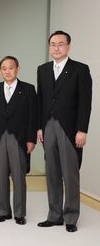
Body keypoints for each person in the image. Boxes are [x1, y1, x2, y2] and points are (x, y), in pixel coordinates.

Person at [36, 30, 92, 233]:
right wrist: (40, 127)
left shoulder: (80, 69)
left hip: (70, 128)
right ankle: (54, 216)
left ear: (68, 46)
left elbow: (86, 102)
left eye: (60, 44)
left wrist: (82, 130)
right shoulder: (42, 70)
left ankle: (70, 217)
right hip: (48, 126)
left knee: (70, 174)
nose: (56, 47)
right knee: (52, 172)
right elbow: (41, 100)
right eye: (53, 44)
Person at [0, 56, 37, 225]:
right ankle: (3, 211)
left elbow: (32, 117)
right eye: (4, 68)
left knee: (18, 176)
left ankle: (20, 213)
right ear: (0, 71)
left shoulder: (28, 89)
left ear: (17, 69)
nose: (7, 71)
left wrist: (31, 139)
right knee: (1, 175)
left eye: (11, 68)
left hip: (19, 138)